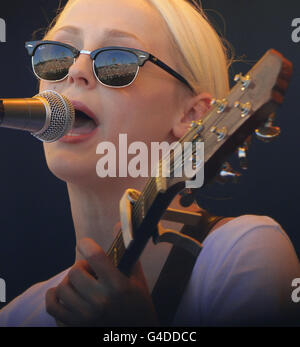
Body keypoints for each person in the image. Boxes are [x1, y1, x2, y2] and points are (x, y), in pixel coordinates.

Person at [0, 0, 299, 327]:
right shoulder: (19, 315)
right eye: (57, 56)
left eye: (117, 61)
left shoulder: (243, 253)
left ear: (193, 115)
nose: (75, 72)